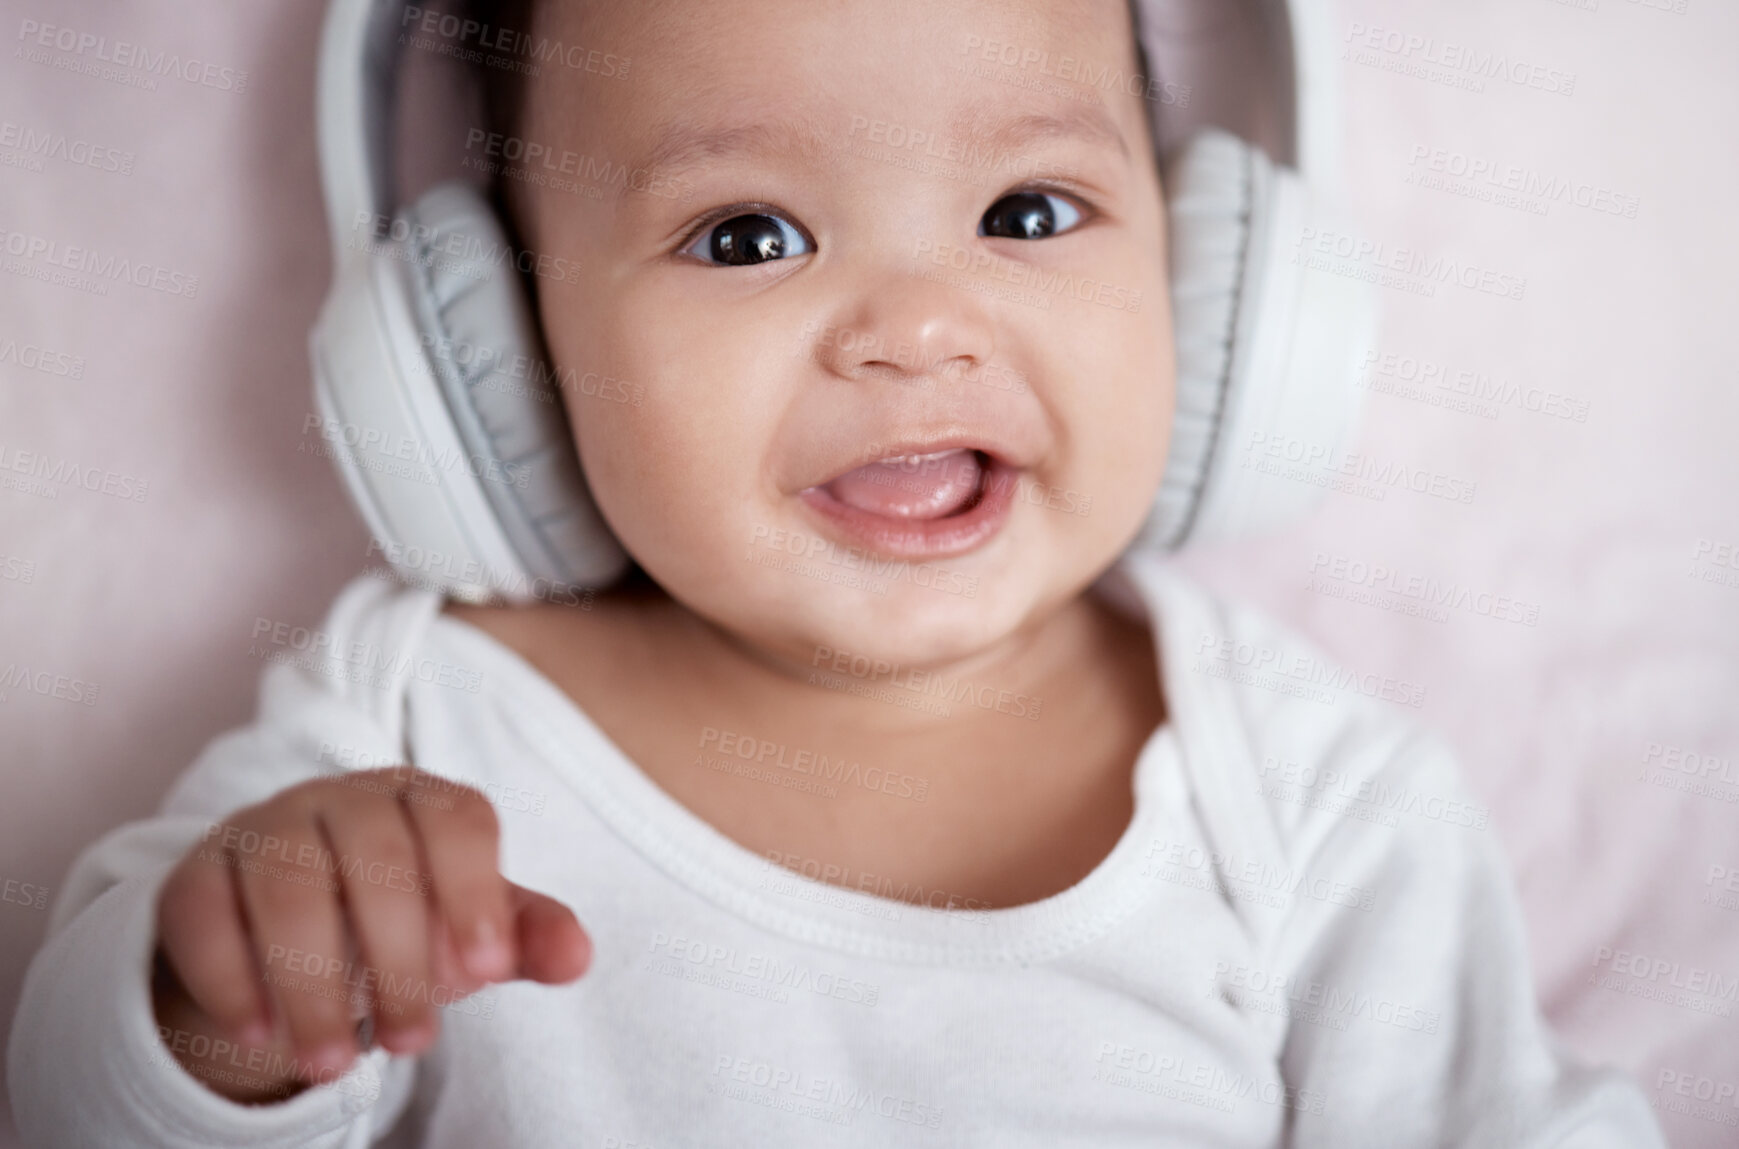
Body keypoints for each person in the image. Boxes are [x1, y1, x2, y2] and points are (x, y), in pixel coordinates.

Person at [8, 0, 1666, 1144]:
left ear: (1212, 275)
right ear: (504, 354)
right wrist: (221, 1004)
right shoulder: (418, 720)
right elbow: (78, 1108)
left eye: (1029, 208)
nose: (917, 327)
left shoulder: (1315, 806)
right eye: (748, 237)